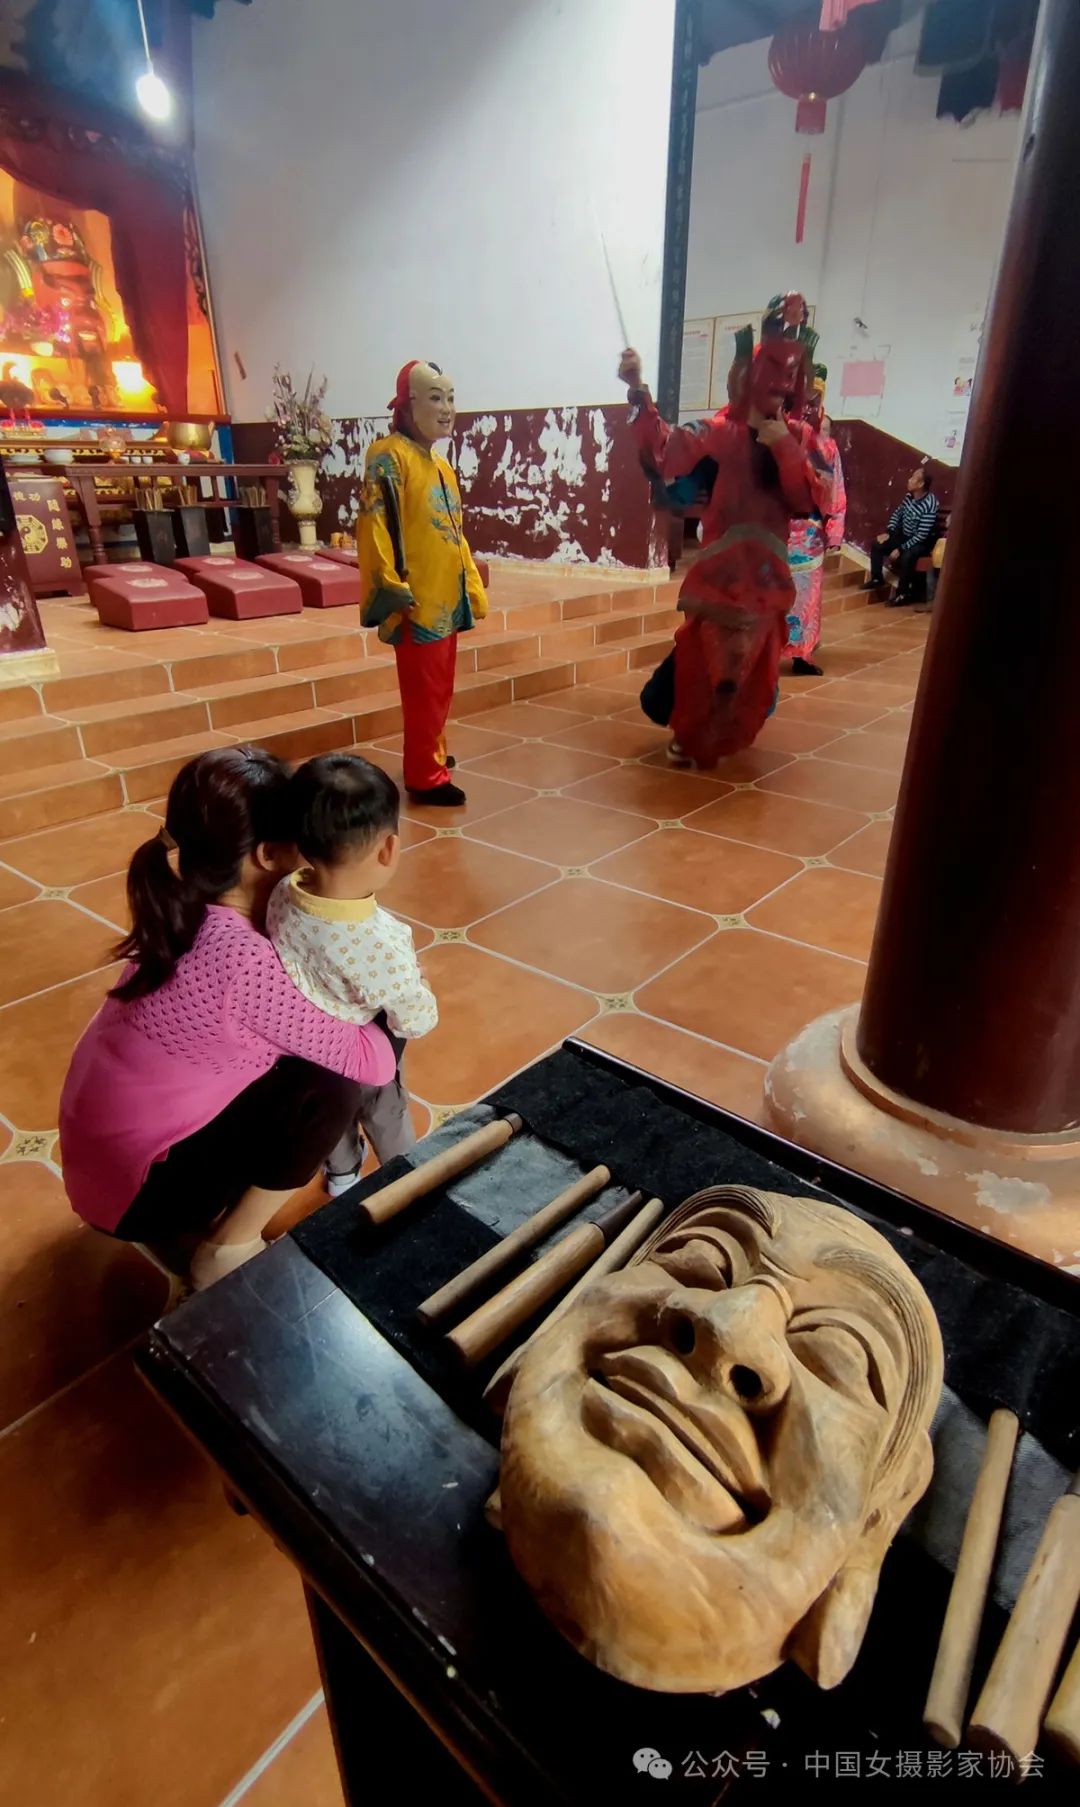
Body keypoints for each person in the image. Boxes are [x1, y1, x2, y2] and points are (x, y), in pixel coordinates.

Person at [58, 747, 395, 1289]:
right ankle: (226, 1248)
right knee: (334, 1081)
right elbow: (372, 1061)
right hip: (138, 1199)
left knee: (309, 1054)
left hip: (101, 1175)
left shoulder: (186, 910)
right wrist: (382, 994)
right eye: (303, 841)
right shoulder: (241, 961)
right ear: (267, 855)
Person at [620, 294, 821, 767]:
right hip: (720, 581)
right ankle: (687, 731)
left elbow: (808, 499)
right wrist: (638, 390)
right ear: (751, 371)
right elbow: (665, 452)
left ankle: (720, 733)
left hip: (768, 582)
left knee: (754, 675)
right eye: (774, 365)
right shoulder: (718, 431)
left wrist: (784, 450)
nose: (783, 379)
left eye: (792, 370)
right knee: (703, 666)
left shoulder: (798, 437)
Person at [268, 753, 438, 1196]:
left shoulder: (282, 893)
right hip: (363, 1050)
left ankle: (342, 1174)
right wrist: (415, 988)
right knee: (386, 1110)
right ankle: (407, 1179)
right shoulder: (382, 943)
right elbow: (416, 1019)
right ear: (388, 848)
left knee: (332, 1116)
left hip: (306, 1048)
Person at [357, 360, 488, 807]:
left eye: (450, 397)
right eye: (435, 397)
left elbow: (454, 533)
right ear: (407, 405)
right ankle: (424, 776)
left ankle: (430, 753)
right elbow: (375, 524)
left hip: (445, 596)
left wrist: (468, 582)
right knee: (423, 691)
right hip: (417, 598)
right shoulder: (387, 455)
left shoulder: (439, 465)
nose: (447, 407)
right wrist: (389, 584)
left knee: (440, 687)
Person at [785, 366, 847, 676]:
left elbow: (835, 487)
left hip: (809, 531)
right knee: (773, 593)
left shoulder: (827, 448)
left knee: (806, 598)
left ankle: (801, 654)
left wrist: (834, 529)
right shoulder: (781, 437)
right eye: (806, 399)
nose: (810, 406)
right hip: (778, 527)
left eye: (816, 399)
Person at [863, 463, 940, 604]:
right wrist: (890, 532)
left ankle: (903, 594)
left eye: (913, 478)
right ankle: (876, 578)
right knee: (878, 544)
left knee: (908, 556)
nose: (909, 480)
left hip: (920, 542)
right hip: (904, 536)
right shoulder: (909, 497)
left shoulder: (930, 503)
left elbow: (922, 535)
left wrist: (900, 548)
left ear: (921, 483)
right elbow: (897, 514)